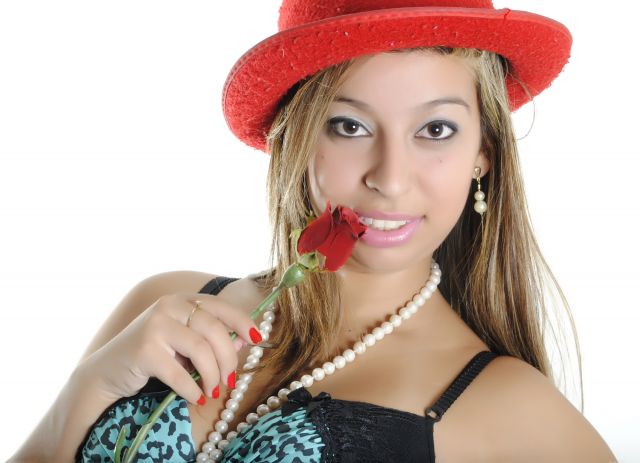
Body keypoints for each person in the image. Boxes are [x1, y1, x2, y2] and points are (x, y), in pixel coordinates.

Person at [10, 0, 618, 462]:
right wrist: (84, 392)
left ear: (483, 154)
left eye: (435, 130)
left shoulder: (513, 411)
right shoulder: (166, 307)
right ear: (295, 137)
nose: (390, 179)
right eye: (349, 126)